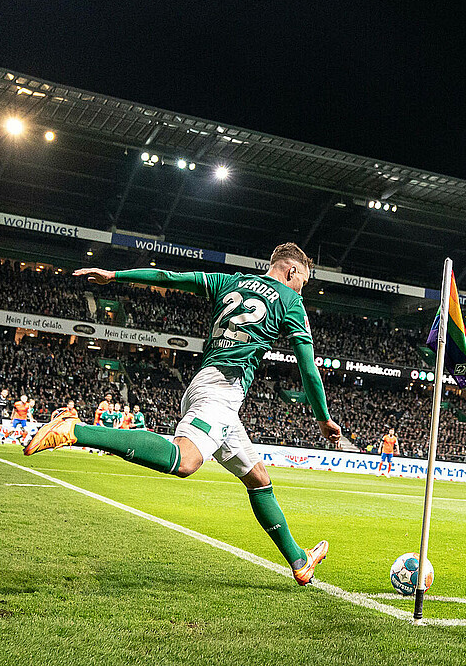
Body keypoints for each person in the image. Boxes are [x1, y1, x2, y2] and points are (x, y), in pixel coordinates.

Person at [26, 243, 342, 586]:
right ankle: (75, 430)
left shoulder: (229, 281)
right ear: (292, 271)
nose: (301, 289)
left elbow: (168, 277)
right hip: (223, 390)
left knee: (259, 479)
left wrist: (115, 275)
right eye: (303, 282)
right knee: (185, 461)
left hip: (206, 385)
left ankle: (299, 561)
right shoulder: (291, 301)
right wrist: (323, 419)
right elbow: (308, 368)